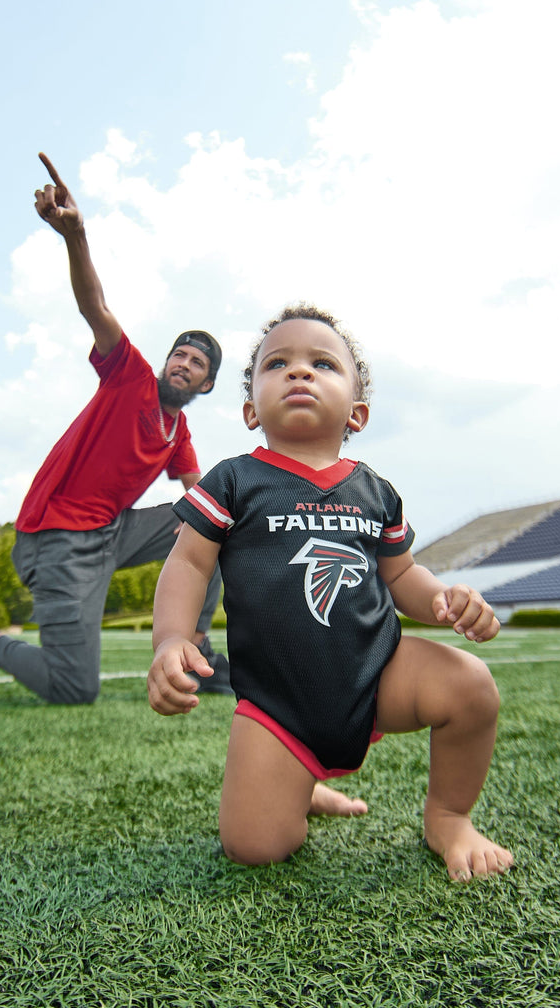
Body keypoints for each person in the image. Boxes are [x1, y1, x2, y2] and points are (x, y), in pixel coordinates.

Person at [147, 304, 514, 880]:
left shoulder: (375, 491)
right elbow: (189, 563)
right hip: (277, 700)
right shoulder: (234, 480)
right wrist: (171, 639)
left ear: (357, 413)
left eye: (322, 363)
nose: (299, 371)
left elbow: (402, 576)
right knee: (255, 848)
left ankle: (449, 817)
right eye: (277, 364)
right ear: (250, 410)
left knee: (470, 685)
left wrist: (444, 601)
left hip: (377, 672)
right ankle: (297, 782)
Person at [0, 152, 231, 703]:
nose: (182, 364)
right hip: (58, 538)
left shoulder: (178, 431)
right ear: (166, 361)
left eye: (196, 364)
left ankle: (197, 646)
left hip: (112, 531)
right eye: (179, 355)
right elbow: (96, 307)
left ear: (205, 384)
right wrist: (75, 236)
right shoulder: (130, 377)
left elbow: (201, 495)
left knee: (215, 522)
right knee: (73, 687)